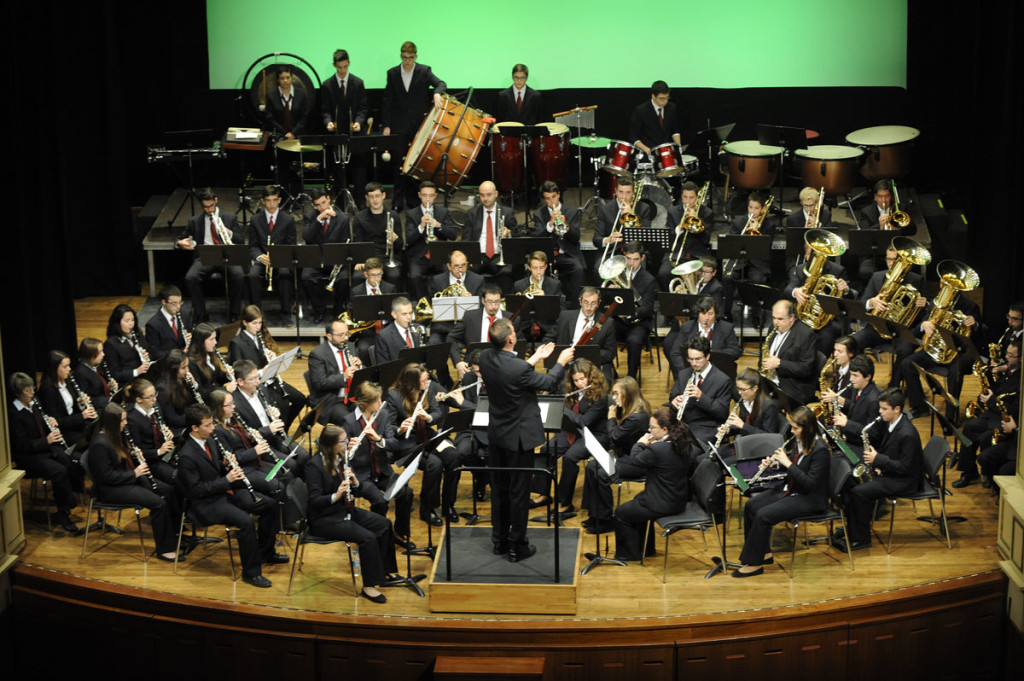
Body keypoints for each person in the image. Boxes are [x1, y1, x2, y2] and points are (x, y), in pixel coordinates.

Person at [479, 318, 574, 561]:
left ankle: (499, 541)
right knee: (519, 494)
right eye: (513, 331)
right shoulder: (519, 369)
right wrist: (560, 362)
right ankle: (517, 545)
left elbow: (513, 371)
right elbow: (547, 382)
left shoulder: (484, 358)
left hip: (497, 435)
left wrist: (535, 359)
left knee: (499, 491)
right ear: (511, 339)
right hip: (519, 439)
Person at [177, 404, 287, 588]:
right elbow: (196, 490)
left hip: (223, 491)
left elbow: (215, 468)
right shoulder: (187, 455)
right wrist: (226, 479)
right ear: (195, 428)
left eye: (213, 423)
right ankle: (251, 573)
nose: (213, 428)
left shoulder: (209, 439)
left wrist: (226, 464)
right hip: (206, 503)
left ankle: (265, 553)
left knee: (270, 504)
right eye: (208, 425)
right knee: (246, 522)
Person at [306, 425, 401, 604]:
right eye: (343, 441)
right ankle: (369, 586)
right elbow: (314, 500)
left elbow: (353, 490)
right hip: (325, 519)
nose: (347, 443)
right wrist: (336, 495)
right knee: (368, 538)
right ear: (331, 445)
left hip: (344, 509)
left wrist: (355, 483)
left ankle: (384, 571)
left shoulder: (340, 458)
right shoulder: (314, 466)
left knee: (384, 524)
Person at [733, 406, 829, 577]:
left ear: (807, 429)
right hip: (793, 489)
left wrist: (787, 464)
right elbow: (795, 462)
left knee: (763, 515)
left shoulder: (820, 449)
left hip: (810, 499)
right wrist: (776, 464)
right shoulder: (801, 441)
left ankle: (755, 564)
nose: (792, 431)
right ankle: (764, 553)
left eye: (795, 428)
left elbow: (810, 484)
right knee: (752, 505)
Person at [832, 388, 922, 553]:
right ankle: (853, 527)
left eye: (884, 409)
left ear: (897, 409)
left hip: (904, 481)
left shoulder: (907, 434)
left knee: (859, 492)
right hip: (889, 471)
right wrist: (879, 464)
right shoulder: (889, 423)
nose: (879, 412)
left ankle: (861, 539)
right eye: (880, 408)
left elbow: (906, 467)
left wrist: (878, 460)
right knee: (850, 482)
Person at [87, 402, 180, 561]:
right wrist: (135, 474)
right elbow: (106, 477)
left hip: (125, 479)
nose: (125, 423)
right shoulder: (100, 444)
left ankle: (173, 534)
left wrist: (132, 453)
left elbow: (120, 458)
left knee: (169, 491)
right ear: (112, 423)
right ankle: (164, 549)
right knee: (159, 503)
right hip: (111, 490)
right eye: (122, 421)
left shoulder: (115, 435)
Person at [613, 407, 695, 562]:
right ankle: (646, 548)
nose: (649, 431)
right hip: (677, 497)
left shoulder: (658, 449)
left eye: (652, 428)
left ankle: (629, 555)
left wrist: (640, 444)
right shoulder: (682, 441)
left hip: (661, 502)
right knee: (637, 501)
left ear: (664, 429)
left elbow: (635, 460)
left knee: (621, 513)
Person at [342, 381, 415, 550]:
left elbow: (394, 444)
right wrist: (348, 448)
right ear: (365, 403)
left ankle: (399, 532)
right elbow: (340, 454)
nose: (381, 403)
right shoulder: (348, 421)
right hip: (360, 475)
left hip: (381, 470)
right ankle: (374, 536)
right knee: (380, 502)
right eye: (377, 400)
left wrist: (379, 439)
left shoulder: (382, 415)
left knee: (406, 492)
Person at [8, 372, 83, 533]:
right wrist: (47, 441)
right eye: (27, 390)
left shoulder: (34, 403)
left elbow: (42, 423)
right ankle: (63, 513)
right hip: (29, 457)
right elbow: (22, 446)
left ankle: (70, 499)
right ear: (17, 393)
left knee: (71, 460)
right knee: (59, 471)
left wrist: (50, 420)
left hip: (46, 449)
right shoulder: (13, 413)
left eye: (32, 388)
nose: (32, 392)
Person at [531, 359, 608, 513]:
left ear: (590, 377)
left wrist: (562, 408)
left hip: (593, 435)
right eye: (576, 380)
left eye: (582, 379)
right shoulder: (571, 391)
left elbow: (584, 421)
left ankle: (565, 502)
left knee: (570, 458)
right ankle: (543, 494)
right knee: (547, 449)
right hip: (572, 431)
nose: (579, 383)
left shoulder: (600, 396)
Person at [899, 285, 982, 420]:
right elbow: (915, 332)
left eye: (948, 284)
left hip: (958, 354)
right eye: (942, 283)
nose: (944, 287)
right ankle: (920, 407)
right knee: (907, 363)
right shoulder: (936, 303)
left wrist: (975, 325)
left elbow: (980, 338)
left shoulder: (970, 306)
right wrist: (924, 325)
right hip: (936, 350)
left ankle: (950, 417)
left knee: (955, 372)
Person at [581, 377, 651, 534]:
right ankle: (595, 515)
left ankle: (606, 519)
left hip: (636, 462)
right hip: (625, 455)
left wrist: (611, 417)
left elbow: (615, 437)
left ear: (628, 394)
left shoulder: (637, 416)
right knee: (592, 466)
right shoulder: (631, 408)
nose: (614, 398)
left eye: (617, 393)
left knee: (602, 473)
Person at [382, 41, 447, 209]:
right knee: (399, 164)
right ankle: (397, 201)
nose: (407, 61)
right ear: (401, 56)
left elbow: (441, 83)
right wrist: (387, 126)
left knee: (415, 165)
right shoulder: (393, 73)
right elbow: (387, 101)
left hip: (419, 127)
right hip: (398, 126)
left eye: (410, 58)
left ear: (416, 57)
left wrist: (437, 93)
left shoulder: (424, 71)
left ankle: (412, 200)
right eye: (404, 57)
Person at [386, 363, 453, 524]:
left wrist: (428, 417)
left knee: (454, 457)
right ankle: (427, 508)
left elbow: (437, 413)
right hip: (407, 443)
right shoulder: (394, 396)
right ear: (412, 382)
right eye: (423, 380)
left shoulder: (427, 391)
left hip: (429, 437)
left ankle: (448, 505)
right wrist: (401, 429)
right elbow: (389, 428)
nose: (427, 383)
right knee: (434, 464)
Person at [849, 246, 925, 382]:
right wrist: (871, 302)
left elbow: (927, 305)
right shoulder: (877, 277)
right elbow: (862, 302)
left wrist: (924, 302)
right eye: (888, 259)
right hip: (878, 327)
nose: (891, 263)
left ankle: (893, 387)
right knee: (854, 341)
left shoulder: (916, 279)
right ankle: (863, 381)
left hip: (902, 330)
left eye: (895, 260)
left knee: (906, 351)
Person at [954, 339, 1020, 488]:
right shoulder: (1008, 370)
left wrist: (990, 400)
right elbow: (997, 387)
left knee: (984, 437)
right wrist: (984, 396)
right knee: (969, 428)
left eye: (1011, 355)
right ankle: (969, 473)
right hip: (993, 412)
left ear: (1021, 358)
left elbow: (1012, 408)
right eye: (1007, 354)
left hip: (1005, 418)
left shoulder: (1020, 378)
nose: (1006, 358)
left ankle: (988, 476)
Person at [227, 305, 305, 431]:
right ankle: (280, 432)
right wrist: (261, 372)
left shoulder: (258, 337)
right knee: (283, 405)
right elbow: (238, 372)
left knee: (300, 399)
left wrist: (272, 358)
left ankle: (285, 426)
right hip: (256, 383)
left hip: (269, 379)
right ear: (244, 322)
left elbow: (262, 360)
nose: (258, 327)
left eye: (260, 323)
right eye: (254, 323)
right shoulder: (237, 343)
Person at [175, 187, 245, 323]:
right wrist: (179, 243)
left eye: (211, 205)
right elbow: (180, 238)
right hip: (205, 256)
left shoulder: (230, 217)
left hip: (227, 256)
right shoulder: (194, 221)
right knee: (190, 277)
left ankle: (235, 312)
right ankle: (201, 312)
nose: (209, 209)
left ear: (216, 201)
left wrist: (228, 232)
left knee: (239, 275)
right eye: (205, 207)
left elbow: (240, 240)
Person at [231, 359, 309, 476]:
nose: (258, 381)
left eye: (258, 377)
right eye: (253, 379)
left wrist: (275, 412)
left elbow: (272, 405)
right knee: (291, 465)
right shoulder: (234, 403)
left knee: (304, 456)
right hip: (259, 445)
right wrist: (268, 429)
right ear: (240, 382)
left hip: (276, 438)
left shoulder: (261, 389)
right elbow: (244, 435)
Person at [208, 388, 288, 498]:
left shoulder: (232, 418)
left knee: (284, 475)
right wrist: (255, 451)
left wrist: (249, 435)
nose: (234, 407)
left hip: (253, 463)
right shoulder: (217, 430)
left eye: (233, 403)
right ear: (218, 408)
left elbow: (239, 438)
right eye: (229, 405)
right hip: (242, 470)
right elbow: (231, 458)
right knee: (277, 485)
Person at [784, 240, 853, 355]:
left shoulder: (837, 270)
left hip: (828, 321)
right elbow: (788, 289)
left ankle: (819, 367)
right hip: (803, 318)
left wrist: (846, 290)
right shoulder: (798, 270)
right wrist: (796, 292)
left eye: (818, 254)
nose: (814, 257)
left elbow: (849, 299)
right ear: (806, 254)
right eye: (811, 253)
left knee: (826, 336)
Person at [319, 50, 368, 203]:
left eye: (345, 67)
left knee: (359, 169)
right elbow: (325, 109)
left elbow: (363, 108)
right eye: (339, 67)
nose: (342, 71)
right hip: (337, 134)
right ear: (334, 65)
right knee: (339, 169)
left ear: (349, 63)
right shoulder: (327, 85)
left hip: (355, 134)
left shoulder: (358, 83)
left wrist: (359, 121)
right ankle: (340, 202)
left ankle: (360, 201)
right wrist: (328, 122)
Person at [246, 185, 296, 326]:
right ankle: (256, 315)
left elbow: (291, 244)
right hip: (263, 259)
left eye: (274, 200)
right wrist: (260, 257)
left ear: (279, 200)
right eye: (268, 200)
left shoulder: (288, 219)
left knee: (285, 272)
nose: (272, 204)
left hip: (281, 259)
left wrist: (279, 256)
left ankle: (286, 313)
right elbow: (253, 246)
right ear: (263, 201)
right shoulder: (255, 219)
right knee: (252, 275)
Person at [544, 286, 617, 382]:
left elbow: (610, 352)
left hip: (592, 365)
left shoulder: (607, 323)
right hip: (567, 363)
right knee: (562, 385)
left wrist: (588, 354)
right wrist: (559, 354)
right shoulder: (565, 316)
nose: (589, 308)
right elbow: (548, 339)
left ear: (599, 303)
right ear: (580, 301)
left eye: (593, 303)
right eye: (586, 302)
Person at [669, 336, 733, 444]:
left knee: (685, 446)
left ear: (707, 356)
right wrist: (674, 401)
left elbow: (722, 412)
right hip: (683, 423)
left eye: (698, 359)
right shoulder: (684, 374)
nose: (694, 363)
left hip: (707, 427)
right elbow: (672, 396)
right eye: (691, 359)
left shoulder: (722, 380)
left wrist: (701, 397)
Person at [301, 188, 351, 323]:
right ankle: (319, 309)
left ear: (329, 199)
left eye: (323, 203)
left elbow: (346, 242)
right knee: (306, 277)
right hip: (316, 260)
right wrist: (319, 220)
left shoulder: (342, 218)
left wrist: (339, 260)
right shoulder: (310, 217)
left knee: (344, 278)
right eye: (317, 205)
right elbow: (307, 237)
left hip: (336, 260)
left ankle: (338, 309)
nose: (322, 207)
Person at [610, 241, 658, 380]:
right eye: (628, 259)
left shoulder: (649, 280)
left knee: (634, 341)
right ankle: (611, 372)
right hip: (618, 320)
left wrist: (629, 315)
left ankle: (631, 378)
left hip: (639, 322)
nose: (631, 263)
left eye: (635, 259)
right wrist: (610, 293)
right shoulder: (617, 274)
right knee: (600, 333)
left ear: (642, 258)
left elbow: (647, 308)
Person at [532, 181, 585, 305]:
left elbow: (576, 238)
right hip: (548, 256)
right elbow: (538, 239)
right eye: (548, 199)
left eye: (554, 197)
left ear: (559, 195)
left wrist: (566, 226)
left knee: (578, 269)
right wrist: (550, 224)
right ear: (544, 199)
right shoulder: (539, 214)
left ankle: (576, 308)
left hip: (567, 255)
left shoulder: (572, 212)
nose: (552, 202)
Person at [405, 181, 458, 300]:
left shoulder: (443, 212)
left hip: (440, 255)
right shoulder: (411, 214)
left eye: (430, 195)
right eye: (424, 195)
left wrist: (439, 225)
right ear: (419, 195)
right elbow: (408, 240)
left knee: (448, 272)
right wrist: (421, 226)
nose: (427, 199)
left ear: (435, 196)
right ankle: (422, 304)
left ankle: (443, 302)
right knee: (414, 275)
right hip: (419, 256)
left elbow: (453, 235)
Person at [714, 368, 782, 460]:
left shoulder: (769, 406)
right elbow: (743, 427)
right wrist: (728, 430)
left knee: (718, 462)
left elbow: (769, 437)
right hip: (744, 443)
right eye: (738, 388)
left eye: (743, 389)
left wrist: (742, 425)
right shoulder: (744, 400)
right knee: (708, 457)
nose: (739, 392)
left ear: (755, 388)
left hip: (759, 450)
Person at [666, 295, 742, 378]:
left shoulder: (726, 328)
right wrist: (687, 370)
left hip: (718, 373)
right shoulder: (687, 327)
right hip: (691, 371)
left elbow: (735, 351)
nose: (707, 318)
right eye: (703, 313)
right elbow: (675, 353)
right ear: (698, 313)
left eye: (710, 314)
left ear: (715, 314)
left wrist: (713, 354)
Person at [462, 181, 518, 291]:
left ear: (496, 194)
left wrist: (509, 234)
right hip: (478, 255)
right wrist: (470, 257)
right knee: (465, 271)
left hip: (498, 255)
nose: (485, 198)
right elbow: (466, 239)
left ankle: (505, 303)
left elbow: (516, 236)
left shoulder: (507, 212)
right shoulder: (472, 213)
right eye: (482, 195)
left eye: (489, 195)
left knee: (506, 272)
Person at [760, 300, 818, 405]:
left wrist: (779, 363)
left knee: (766, 405)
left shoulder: (806, 335)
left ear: (791, 318)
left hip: (792, 387)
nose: (775, 322)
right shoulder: (772, 328)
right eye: (774, 318)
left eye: (780, 319)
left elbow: (806, 369)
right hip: (770, 381)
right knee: (741, 391)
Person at [37, 349, 98, 448]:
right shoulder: (47, 390)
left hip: (75, 424)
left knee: (101, 428)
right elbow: (57, 421)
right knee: (91, 439)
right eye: (65, 366)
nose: (69, 369)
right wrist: (81, 416)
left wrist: (80, 403)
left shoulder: (68, 381)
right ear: (54, 368)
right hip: (64, 431)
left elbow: (72, 406)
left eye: (69, 365)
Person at [448, 284, 510, 378]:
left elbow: (518, 345)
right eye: (489, 302)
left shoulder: (511, 318)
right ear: (483, 300)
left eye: (497, 302)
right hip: (475, 365)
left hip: (502, 365)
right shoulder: (470, 316)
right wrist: (458, 362)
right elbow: (451, 338)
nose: (493, 306)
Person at [123, 378, 177, 484]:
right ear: (139, 399)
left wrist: (166, 431)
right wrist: (159, 452)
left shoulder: (155, 407)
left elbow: (162, 426)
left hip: (164, 453)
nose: (155, 399)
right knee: (175, 477)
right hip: (150, 461)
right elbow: (135, 451)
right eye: (150, 397)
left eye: (154, 394)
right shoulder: (132, 419)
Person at [308, 319, 361, 426]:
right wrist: (343, 377)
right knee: (350, 422)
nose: (345, 338)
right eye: (341, 335)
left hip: (353, 396)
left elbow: (360, 375)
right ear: (329, 336)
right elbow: (320, 383)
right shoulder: (317, 354)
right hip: (332, 400)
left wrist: (360, 366)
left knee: (372, 413)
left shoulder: (350, 346)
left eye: (347, 334)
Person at [351, 182, 404, 287]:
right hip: (367, 260)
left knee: (394, 275)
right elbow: (357, 244)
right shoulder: (359, 218)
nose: (375, 200)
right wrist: (361, 260)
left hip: (387, 258)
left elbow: (400, 245)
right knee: (357, 277)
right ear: (367, 197)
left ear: (383, 196)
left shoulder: (393, 216)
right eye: (371, 197)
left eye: (377, 196)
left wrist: (395, 238)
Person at [661, 181, 714, 284]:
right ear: (681, 196)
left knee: (699, 276)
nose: (688, 201)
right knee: (663, 274)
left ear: (697, 197)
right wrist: (679, 228)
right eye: (685, 197)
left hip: (697, 254)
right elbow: (669, 236)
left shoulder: (707, 213)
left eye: (691, 198)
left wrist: (695, 221)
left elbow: (705, 239)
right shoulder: (673, 212)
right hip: (676, 254)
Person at [829, 355, 881, 457]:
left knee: (834, 458)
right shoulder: (857, 388)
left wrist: (847, 424)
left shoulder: (874, 401)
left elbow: (873, 435)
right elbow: (854, 408)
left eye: (855, 375)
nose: (851, 379)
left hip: (861, 448)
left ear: (868, 376)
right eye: (851, 374)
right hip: (849, 437)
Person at [593, 178, 651, 265]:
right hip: (612, 251)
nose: (624, 196)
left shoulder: (644, 208)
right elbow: (596, 239)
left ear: (633, 192)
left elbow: (647, 237)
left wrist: (630, 217)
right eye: (621, 192)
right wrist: (608, 240)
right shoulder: (605, 209)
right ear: (615, 191)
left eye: (628, 192)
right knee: (598, 268)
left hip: (635, 253)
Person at [512, 251, 564, 341]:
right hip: (525, 327)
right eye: (535, 268)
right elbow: (513, 310)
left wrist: (545, 298)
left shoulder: (555, 284)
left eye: (541, 268)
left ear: (546, 266)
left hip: (547, 327)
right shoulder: (518, 285)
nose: (539, 272)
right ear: (529, 267)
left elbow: (562, 309)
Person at [628, 80, 681, 156]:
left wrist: (678, 146)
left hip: (666, 152)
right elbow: (633, 136)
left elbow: (675, 130)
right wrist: (647, 150)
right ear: (653, 96)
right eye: (662, 98)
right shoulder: (641, 110)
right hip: (647, 153)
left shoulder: (671, 107)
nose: (665, 101)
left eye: (667, 98)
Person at [103, 304, 152, 386]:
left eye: (133, 320)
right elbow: (114, 373)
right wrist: (136, 371)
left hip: (144, 378)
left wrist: (147, 357)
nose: (131, 324)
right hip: (128, 383)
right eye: (127, 321)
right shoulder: (111, 344)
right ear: (118, 323)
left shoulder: (137, 334)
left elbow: (150, 352)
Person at [154, 349, 199, 434]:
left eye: (187, 366)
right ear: (172, 369)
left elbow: (193, 402)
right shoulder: (162, 388)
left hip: (188, 419)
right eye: (183, 368)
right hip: (177, 428)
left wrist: (193, 385)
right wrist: (194, 419)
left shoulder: (182, 378)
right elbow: (171, 418)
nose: (187, 371)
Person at [144, 285, 191, 362]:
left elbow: (190, 334)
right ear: (164, 302)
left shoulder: (185, 314)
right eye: (174, 303)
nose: (178, 307)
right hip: (166, 365)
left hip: (186, 360)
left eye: (180, 302)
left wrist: (191, 339)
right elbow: (155, 353)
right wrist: (179, 354)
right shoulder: (153, 325)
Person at [263, 63, 309, 140]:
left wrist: (293, 133)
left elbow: (304, 117)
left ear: (292, 78)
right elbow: (270, 118)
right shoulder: (271, 95)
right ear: (278, 80)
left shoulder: (301, 93)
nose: (285, 80)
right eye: (282, 78)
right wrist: (284, 133)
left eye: (287, 77)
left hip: (298, 136)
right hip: (279, 136)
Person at [186, 323, 236, 393]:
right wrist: (225, 389)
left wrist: (227, 375)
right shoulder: (191, 362)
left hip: (219, 395)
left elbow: (217, 378)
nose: (215, 342)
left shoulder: (209, 354)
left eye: (215, 338)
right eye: (211, 339)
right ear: (201, 342)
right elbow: (200, 391)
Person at [375, 296, 421, 364]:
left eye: (410, 313)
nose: (409, 317)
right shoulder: (384, 336)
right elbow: (384, 367)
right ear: (394, 314)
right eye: (404, 314)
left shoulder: (419, 329)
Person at [73, 338, 113, 410]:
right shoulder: (80, 373)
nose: (103, 354)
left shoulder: (97, 365)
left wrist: (109, 387)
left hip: (107, 403)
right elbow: (87, 400)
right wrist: (109, 399)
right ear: (91, 354)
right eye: (100, 352)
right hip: (98, 409)